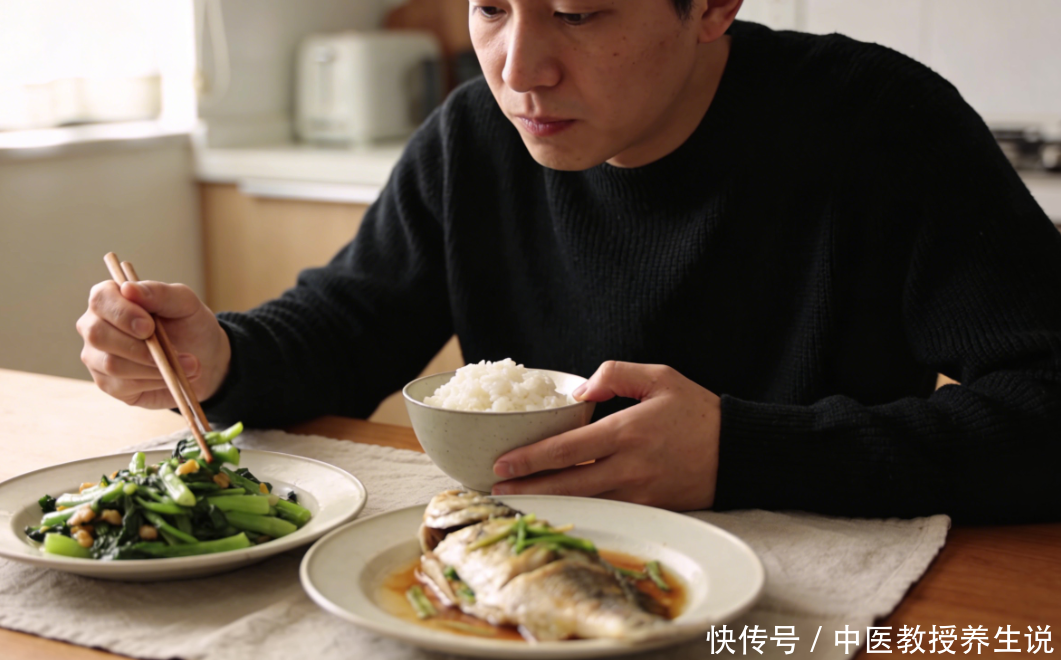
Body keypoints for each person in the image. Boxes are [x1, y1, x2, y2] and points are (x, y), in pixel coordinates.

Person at [77, 0, 1061, 524]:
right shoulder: (474, 136)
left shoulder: (880, 124)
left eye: (577, 13)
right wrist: (219, 357)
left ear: (711, 5)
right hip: (532, 581)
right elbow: (348, 326)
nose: (517, 69)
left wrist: (745, 450)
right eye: (489, 7)